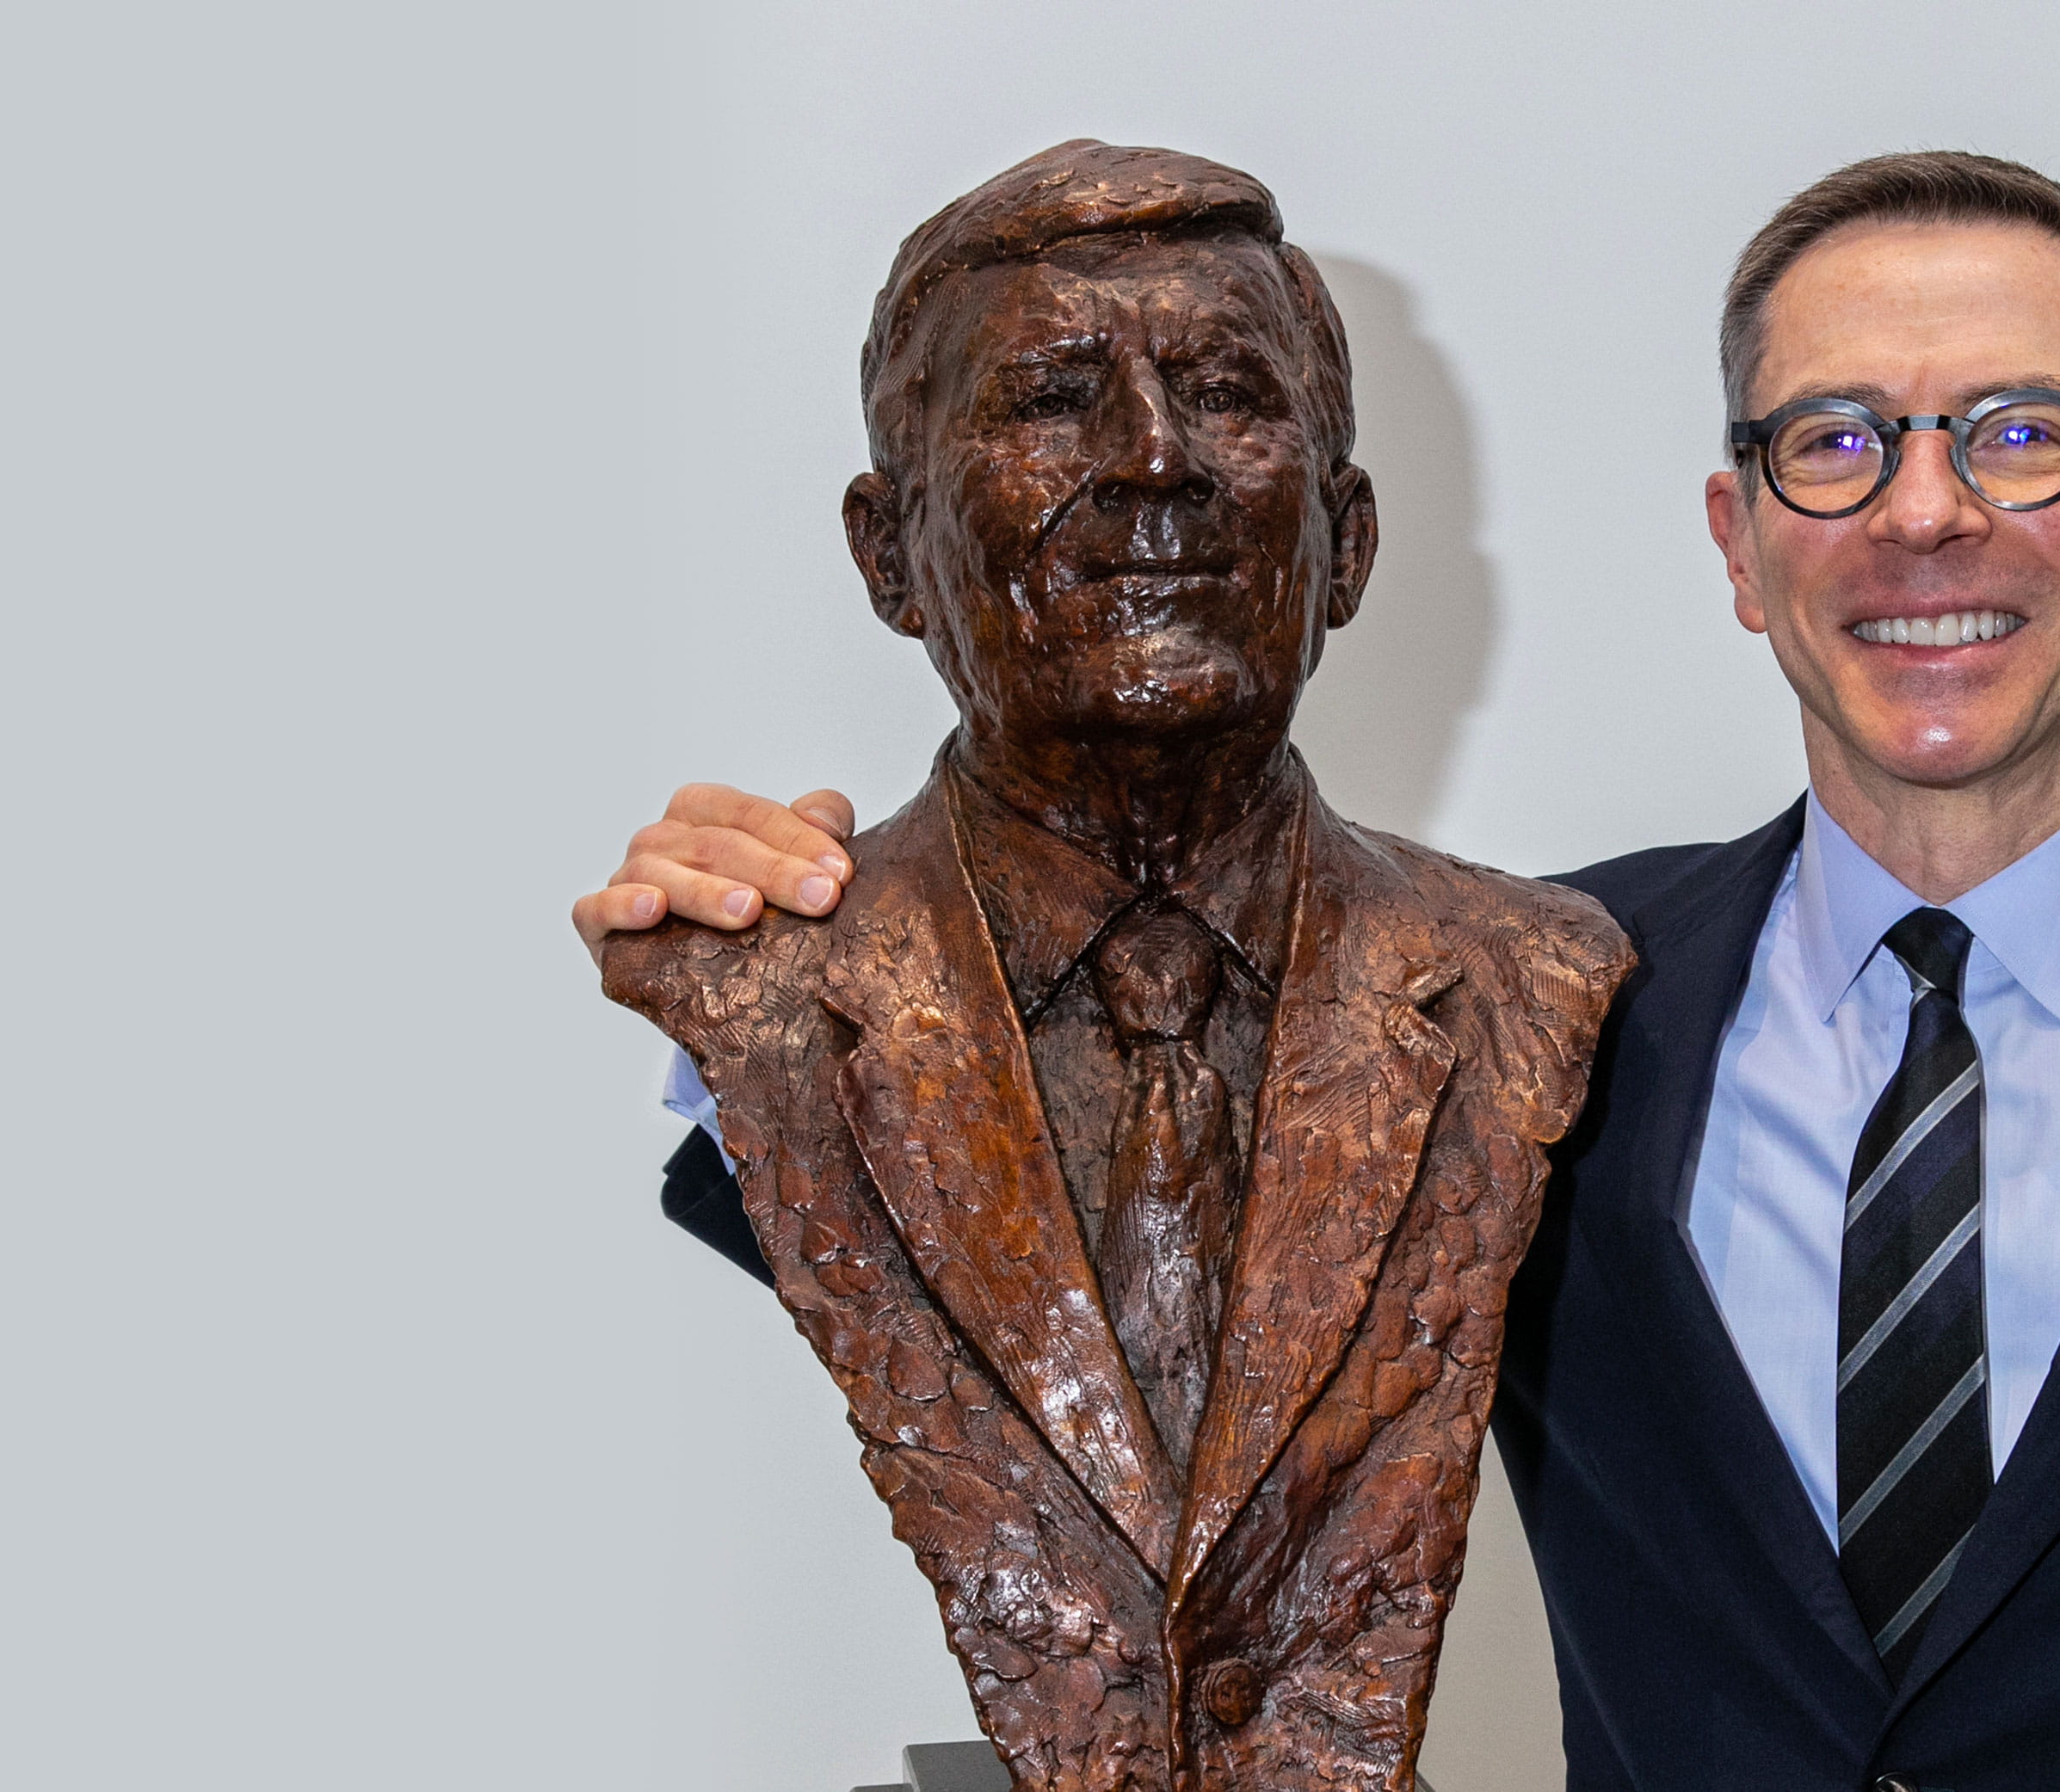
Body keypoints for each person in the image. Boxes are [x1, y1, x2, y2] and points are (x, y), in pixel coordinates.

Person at [591, 151, 2060, 1790]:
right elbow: (1131, 1298)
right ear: (1739, 541)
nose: (1923, 518)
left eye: (2015, 433)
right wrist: (772, 990)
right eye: (1836, 440)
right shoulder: (1525, 1004)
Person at [595, 139, 1629, 1789]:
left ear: (1349, 542)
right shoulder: (767, 987)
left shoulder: (1538, 980)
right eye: (1053, 399)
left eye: (1227, 392)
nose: (1155, 460)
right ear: (885, 552)